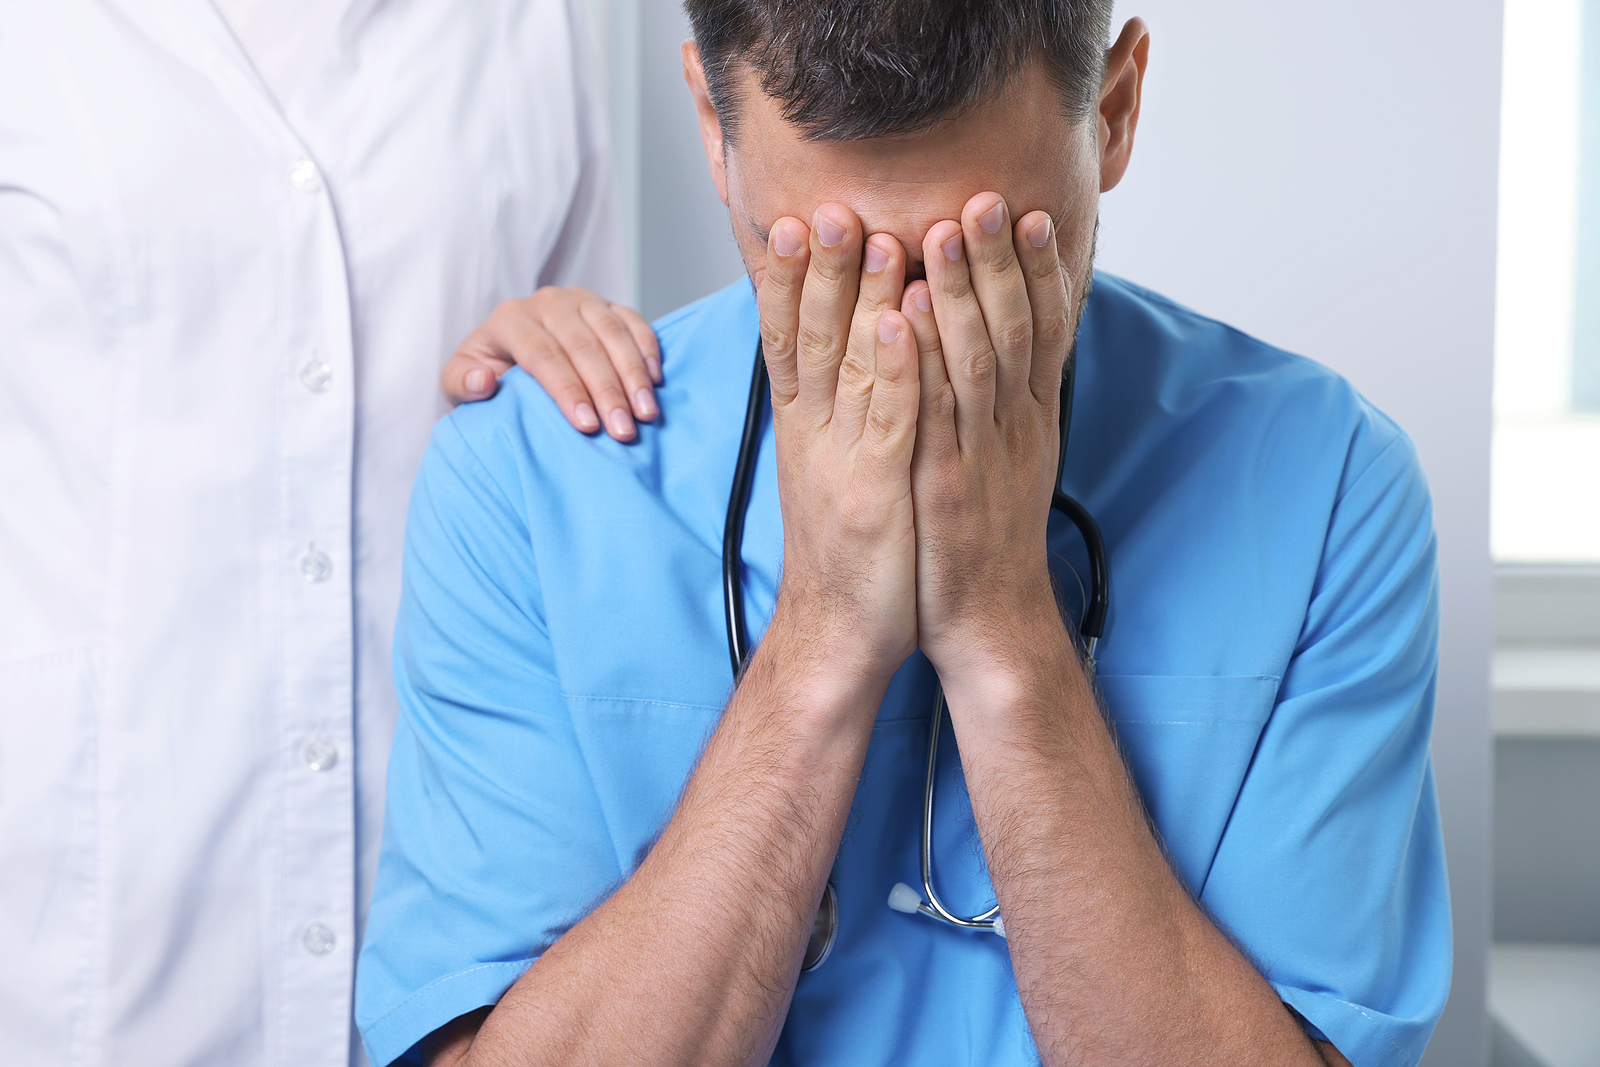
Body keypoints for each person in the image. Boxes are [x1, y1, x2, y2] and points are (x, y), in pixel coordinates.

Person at [355, 2, 1453, 1065]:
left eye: (987, 261)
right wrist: (821, 640)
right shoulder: (527, 480)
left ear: (1112, 112)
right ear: (712, 125)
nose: (908, 333)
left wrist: (1004, 625)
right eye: (824, 262)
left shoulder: (1328, 487)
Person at [0, 3, 660, 1065]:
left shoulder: (530, 25)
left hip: (455, 915)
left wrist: (546, 365)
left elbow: (591, 466)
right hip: (82, 921)